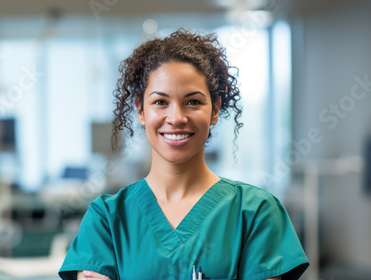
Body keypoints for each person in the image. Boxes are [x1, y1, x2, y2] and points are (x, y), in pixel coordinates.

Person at [58, 28, 309, 280]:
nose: (176, 118)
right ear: (140, 111)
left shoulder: (256, 213)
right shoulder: (106, 220)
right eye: (160, 102)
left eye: (193, 102)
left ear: (215, 110)